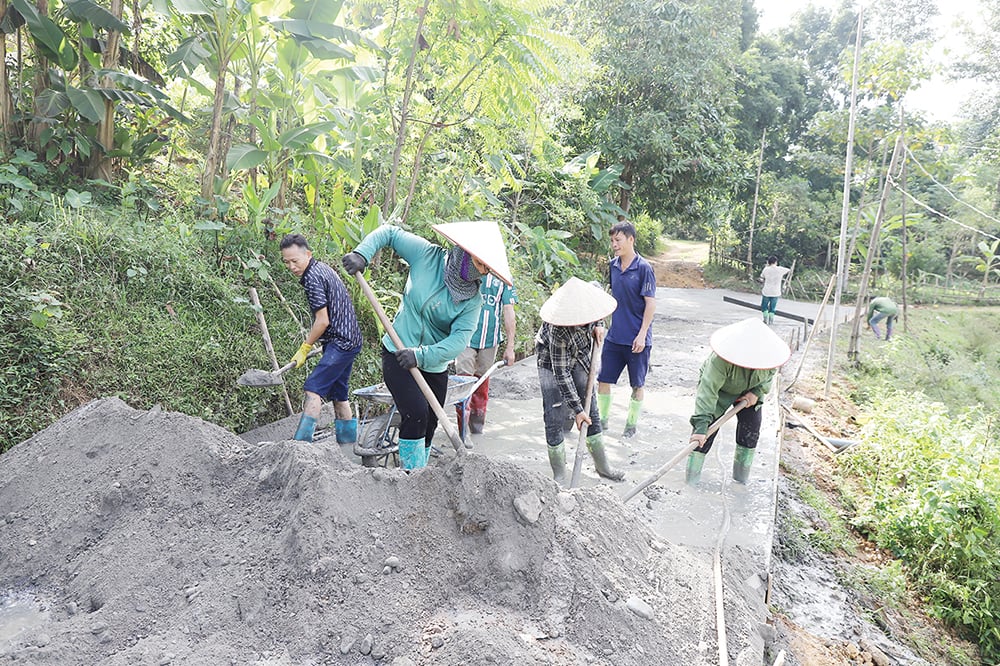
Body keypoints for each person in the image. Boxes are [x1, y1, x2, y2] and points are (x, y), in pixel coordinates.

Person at [342, 222, 513, 470]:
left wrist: (421, 356)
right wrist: (362, 253)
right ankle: (410, 476)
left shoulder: (472, 301)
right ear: (465, 254)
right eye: (480, 264)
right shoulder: (427, 255)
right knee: (416, 414)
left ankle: (420, 474)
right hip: (398, 351)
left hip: (433, 363)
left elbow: (458, 342)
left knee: (431, 421)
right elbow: (390, 233)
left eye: (487, 269)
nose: (483, 273)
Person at [537, 277, 625, 484]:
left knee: (591, 409)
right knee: (554, 413)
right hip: (551, 362)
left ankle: (603, 467)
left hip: (582, 355)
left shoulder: (591, 297)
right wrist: (577, 410)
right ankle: (559, 473)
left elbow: (601, 312)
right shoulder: (558, 327)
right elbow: (562, 373)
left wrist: (599, 325)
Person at [279, 234, 363, 445]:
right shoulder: (321, 268)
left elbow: (322, 321)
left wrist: (305, 347)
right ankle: (348, 447)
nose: (291, 266)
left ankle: (300, 446)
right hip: (349, 340)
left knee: (313, 388)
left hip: (341, 342)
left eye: (295, 261)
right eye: (286, 262)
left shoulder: (312, 277)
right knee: (339, 395)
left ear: (308, 254)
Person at [686, 318, 790, 485]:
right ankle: (691, 483)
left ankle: (740, 481)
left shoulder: (769, 358)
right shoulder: (719, 360)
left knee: (750, 434)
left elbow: (769, 376)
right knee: (703, 438)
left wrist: (756, 392)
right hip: (719, 392)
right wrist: (700, 425)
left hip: (750, 393)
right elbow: (707, 391)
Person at [597, 220, 656, 439]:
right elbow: (607, 299)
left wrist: (642, 335)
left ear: (631, 240)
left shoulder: (644, 268)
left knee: (637, 384)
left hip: (637, 339)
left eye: (618, 240)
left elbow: (650, 304)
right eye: (612, 240)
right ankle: (602, 422)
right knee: (603, 380)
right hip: (615, 337)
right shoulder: (612, 266)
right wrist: (599, 325)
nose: (614, 244)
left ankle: (631, 425)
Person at [455, 274, 517, 435]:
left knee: (482, 381)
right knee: (463, 381)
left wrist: (510, 346)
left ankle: (477, 426)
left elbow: (508, 310)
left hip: (490, 338)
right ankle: (462, 431)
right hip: (465, 335)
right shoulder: (467, 267)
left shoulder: (504, 277)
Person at [760, 255, 791, 325]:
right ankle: (771, 321)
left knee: (764, 306)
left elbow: (761, 277)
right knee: (772, 308)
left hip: (766, 291)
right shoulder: (780, 269)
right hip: (776, 292)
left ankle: (765, 319)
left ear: (768, 262)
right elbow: (789, 270)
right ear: (776, 262)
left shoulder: (766, 269)